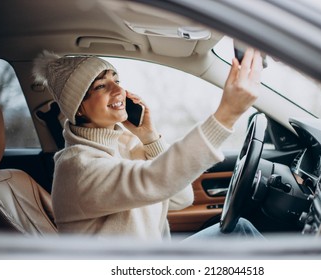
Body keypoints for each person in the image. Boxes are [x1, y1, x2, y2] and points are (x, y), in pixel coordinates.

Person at [32, 48, 264, 241]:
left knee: (240, 229)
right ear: (78, 108)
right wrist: (226, 115)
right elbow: (154, 178)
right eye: (101, 86)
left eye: (117, 80)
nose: (119, 90)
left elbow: (181, 198)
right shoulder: (76, 166)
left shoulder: (125, 144)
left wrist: (149, 136)